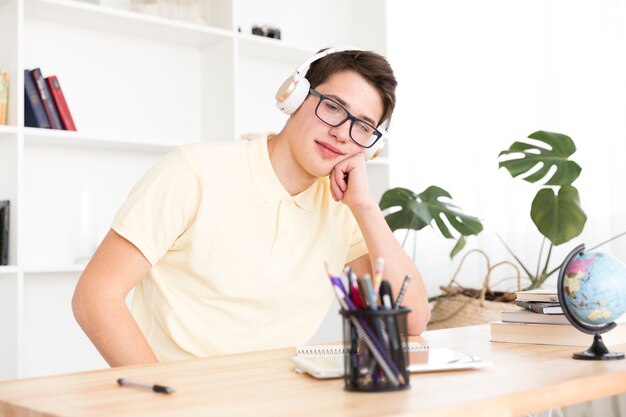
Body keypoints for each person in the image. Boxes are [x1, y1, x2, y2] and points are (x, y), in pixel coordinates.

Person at [72, 47, 431, 367]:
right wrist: (160, 399)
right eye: (333, 108)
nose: (342, 132)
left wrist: (366, 207)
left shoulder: (344, 205)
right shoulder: (193, 171)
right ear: (294, 98)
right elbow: (96, 297)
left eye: (362, 127)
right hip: (178, 400)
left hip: (280, 400)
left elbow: (411, 321)